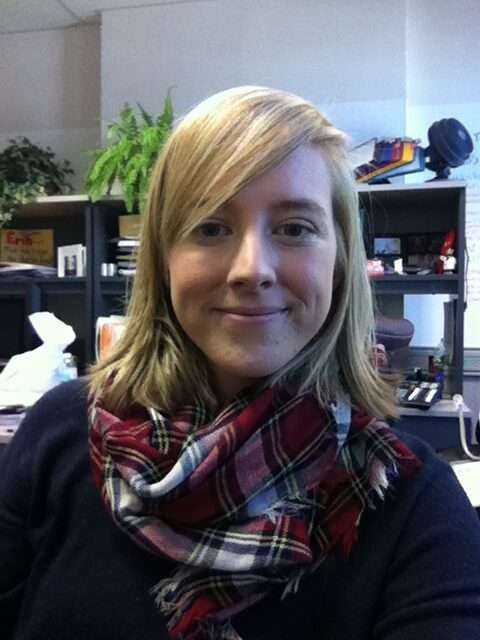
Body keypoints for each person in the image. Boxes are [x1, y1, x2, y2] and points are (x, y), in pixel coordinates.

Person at [1, 86, 480, 640]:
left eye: (295, 228)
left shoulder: (414, 503)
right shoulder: (58, 436)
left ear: (341, 260)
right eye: (211, 227)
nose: (252, 270)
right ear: (164, 258)